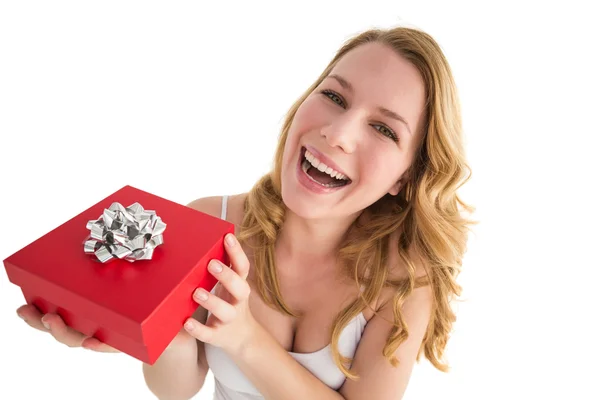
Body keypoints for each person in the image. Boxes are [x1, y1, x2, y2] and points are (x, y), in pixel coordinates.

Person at [15, 25, 476, 399]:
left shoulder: (403, 284)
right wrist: (155, 332)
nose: (338, 133)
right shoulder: (206, 222)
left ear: (405, 178)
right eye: (334, 97)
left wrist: (244, 337)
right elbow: (176, 389)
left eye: (383, 128)